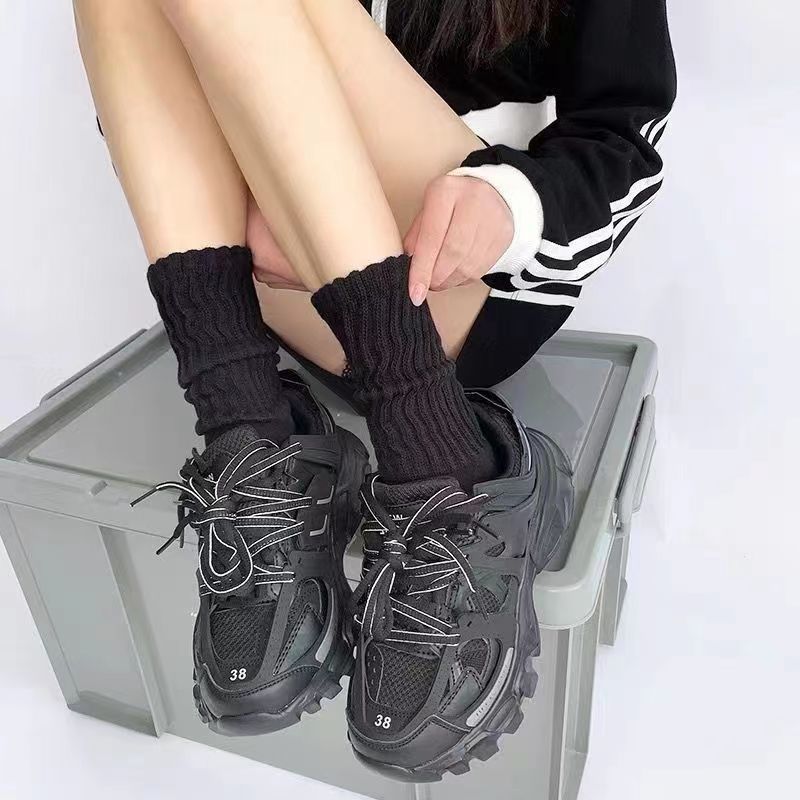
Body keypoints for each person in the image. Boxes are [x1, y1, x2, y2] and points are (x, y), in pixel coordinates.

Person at [75, 0, 675, 779]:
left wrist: (511, 206)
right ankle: (249, 437)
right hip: (280, 279)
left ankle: (436, 452)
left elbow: (627, 136)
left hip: (458, 286)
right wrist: (253, 186)